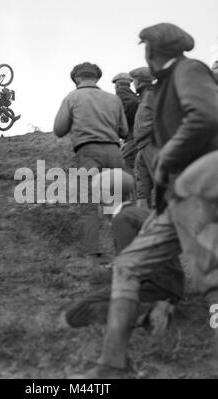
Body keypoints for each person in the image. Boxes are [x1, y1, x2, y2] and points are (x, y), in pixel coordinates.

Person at [76, 22, 218, 379]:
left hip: (196, 192)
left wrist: (168, 155)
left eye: (146, 50)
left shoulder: (190, 70)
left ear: (154, 52)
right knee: (127, 266)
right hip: (173, 200)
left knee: (211, 274)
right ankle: (113, 363)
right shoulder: (165, 85)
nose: (145, 56)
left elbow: (207, 115)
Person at [66, 170, 184, 331]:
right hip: (172, 283)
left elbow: (130, 269)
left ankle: (148, 310)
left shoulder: (122, 220)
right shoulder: (142, 212)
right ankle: (155, 306)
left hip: (154, 287)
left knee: (76, 313)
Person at [53, 62, 128, 267]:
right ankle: (123, 255)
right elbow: (125, 131)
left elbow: (59, 129)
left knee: (89, 205)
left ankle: (92, 256)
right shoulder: (114, 99)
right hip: (114, 153)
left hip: (88, 154)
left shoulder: (72, 98)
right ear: (97, 78)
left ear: (77, 78)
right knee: (117, 206)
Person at [130, 67, 157, 209]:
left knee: (161, 183)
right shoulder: (144, 97)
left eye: (134, 80)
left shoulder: (153, 95)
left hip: (152, 144)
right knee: (142, 189)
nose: (133, 83)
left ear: (140, 81)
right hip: (142, 146)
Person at [112, 73, 139, 173]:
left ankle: (128, 188)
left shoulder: (121, 94)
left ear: (117, 85)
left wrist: (121, 127)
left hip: (132, 137)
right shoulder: (134, 96)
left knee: (124, 165)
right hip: (137, 136)